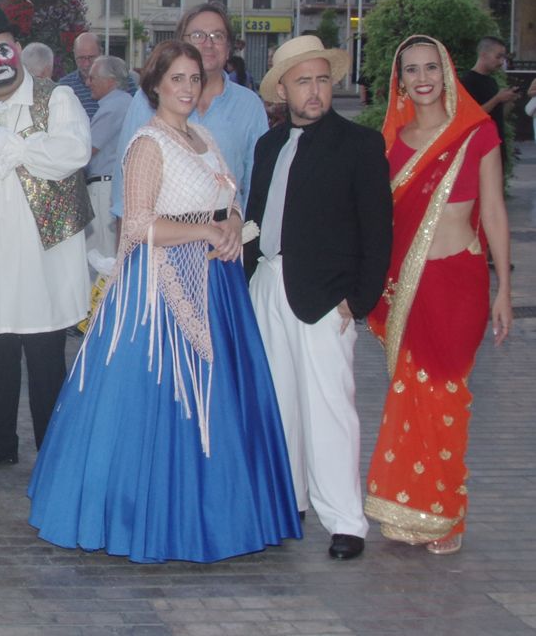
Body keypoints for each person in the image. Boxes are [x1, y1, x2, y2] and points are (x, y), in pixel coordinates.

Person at [28, 40, 300, 563]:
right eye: (176, 79)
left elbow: (228, 201)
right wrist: (206, 233)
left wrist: (233, 228)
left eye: (194, 79)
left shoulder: (202, 137)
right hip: (160, 293)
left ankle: (221, 510)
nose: (187, 88)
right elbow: (137, 224)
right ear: (155, 85)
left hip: (217, 286)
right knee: (159, 403)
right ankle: (152, 516)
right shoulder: (148, 143)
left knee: (223, 400)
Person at [244, 34, 392, 562]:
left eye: (323, 79)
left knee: (331, 408)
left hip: (326, 296)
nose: (315, 90)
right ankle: (292, 501)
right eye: (303, 80)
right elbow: (255, 218)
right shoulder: (268, 145)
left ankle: (346, 520)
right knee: (279, 405)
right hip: (268, 285)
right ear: (282, 88)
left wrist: (360, 298)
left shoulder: (359, 145)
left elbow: (378, 231)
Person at [364, 35, 513, 555]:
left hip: (460, 282)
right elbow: (378, 221)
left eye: (431, 67)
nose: (422, 77)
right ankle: (408, 508)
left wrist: (505, 290)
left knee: (448, 395)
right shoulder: (390, 142)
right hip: (406, 286)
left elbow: (493, 212)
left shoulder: (476, 133)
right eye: (412, 70)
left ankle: (445, 517)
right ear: (399, 79)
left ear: (447, 72)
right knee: (410, 394)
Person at [0, 5, 92, 475]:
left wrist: (15, 145)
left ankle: (55, 447)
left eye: (0, 49)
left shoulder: (55, 98)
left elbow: (73, 152)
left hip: (40, 246)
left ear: (18, 50)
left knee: (44, 350)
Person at [112, 2, 268, 223]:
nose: (208, 43)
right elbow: (124, 185)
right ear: (181, 43)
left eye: (218, 35)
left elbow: (257, 183)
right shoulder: (147, 100)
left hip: (226, 244)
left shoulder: (249, 105)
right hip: (163, 246)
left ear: (229, 48)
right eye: (197, 35)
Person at [84, 55, 131, 258]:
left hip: (105, 188)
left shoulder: (113, 107)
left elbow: (85, 151)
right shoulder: (124, 102)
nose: (88, 83)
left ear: (110, 81)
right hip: (113, 186)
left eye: (92, 78)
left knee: (101, 255)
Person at [458, 35, 516, 164]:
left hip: (496, 146)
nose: (501, 62)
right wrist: (497, 99)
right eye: (498, 56)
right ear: (483, 55)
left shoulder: (491, 81)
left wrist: (508, 101)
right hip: (478, 150)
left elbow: (498, 117)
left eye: (503, 57)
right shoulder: (468, 82)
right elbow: (471, 117)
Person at [57, 32, 104, 119]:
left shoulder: (122, 81)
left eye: (91, 57)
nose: (86, 64)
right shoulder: (64, 86)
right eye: (81, 58)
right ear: (74, 55)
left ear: (101, 53)